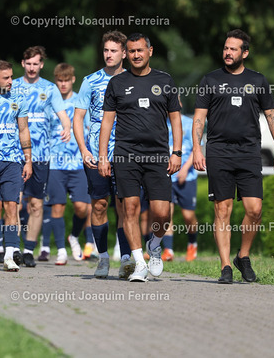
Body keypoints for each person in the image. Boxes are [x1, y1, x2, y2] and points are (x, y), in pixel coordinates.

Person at [193, 29, 274, 284]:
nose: (227, 52)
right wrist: (197, 149)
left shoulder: (258, 80)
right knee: (222, 210)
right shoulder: (210, 80)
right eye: (226, 48)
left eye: (233, 49)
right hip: (219, 152)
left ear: (245, 53)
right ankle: (225, 266)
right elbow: (199, 117)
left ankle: (242, 256)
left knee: (254, 209)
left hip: (249, 152)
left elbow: (272, 116)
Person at [99, 32, 182, 282]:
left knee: (162, 214)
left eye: (140, 50)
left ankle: (154, 244)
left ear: (150, 51)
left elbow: (175, 119)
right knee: (130, 209)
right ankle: (139, 264)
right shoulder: (117, 83)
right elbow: (107, 122)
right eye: (132, 51)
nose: (136, 55)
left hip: (158, 155)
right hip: (126, 155)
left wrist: (177, 152)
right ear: (126, 54)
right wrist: (103, 156)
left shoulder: (165, 80)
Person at [73, 30, 132, 279]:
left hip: (126, 152)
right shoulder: (90, 80)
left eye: (114, 51)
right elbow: (78, 117)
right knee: (99, 205)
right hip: (96, 154)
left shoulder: (133, 79)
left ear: (124, 53)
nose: (109, 55)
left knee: (125, 206)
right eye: (106, 50)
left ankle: (127, 258)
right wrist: (84, 149)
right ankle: (103, 257)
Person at [12, 46, 70, 268]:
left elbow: (62, 114)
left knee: (36, 204)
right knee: (14, 203)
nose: (32, 68)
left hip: (41, 156)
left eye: (35, 64)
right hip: (15, 154)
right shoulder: (12, 86)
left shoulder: (50, 88)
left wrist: (67, 128)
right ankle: (12, 249)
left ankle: (28, 250)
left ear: (41, 64)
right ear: (23, 64)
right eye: (28, 63)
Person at [0, 60, 32, 271]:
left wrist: (28, 160)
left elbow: (23, 130)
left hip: (12, 161)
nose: (11, 81)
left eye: (11, 76)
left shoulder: (18, 98)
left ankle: (10, 254)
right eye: (6, 78)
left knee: (12, 205)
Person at [41, 63, 91, 265]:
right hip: (55, 164)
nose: (62, 84)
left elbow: (89, 129)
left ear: (73, 80)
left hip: (78, 163)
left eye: (66, 80)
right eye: (59, 80)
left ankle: (74, 236)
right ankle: (61, 250)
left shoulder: (81, 101)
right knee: (57, 207)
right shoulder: (49, 104)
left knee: (82, 207)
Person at [160, 97, 199, 262]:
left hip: (186, 177)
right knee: (166, 214)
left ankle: (192, 244)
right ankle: (168, 250)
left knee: (188, 216)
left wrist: (184, 169)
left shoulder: (189, 123)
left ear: (180, 104)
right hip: (166, 176)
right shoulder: (160, 124)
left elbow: (196, 149)